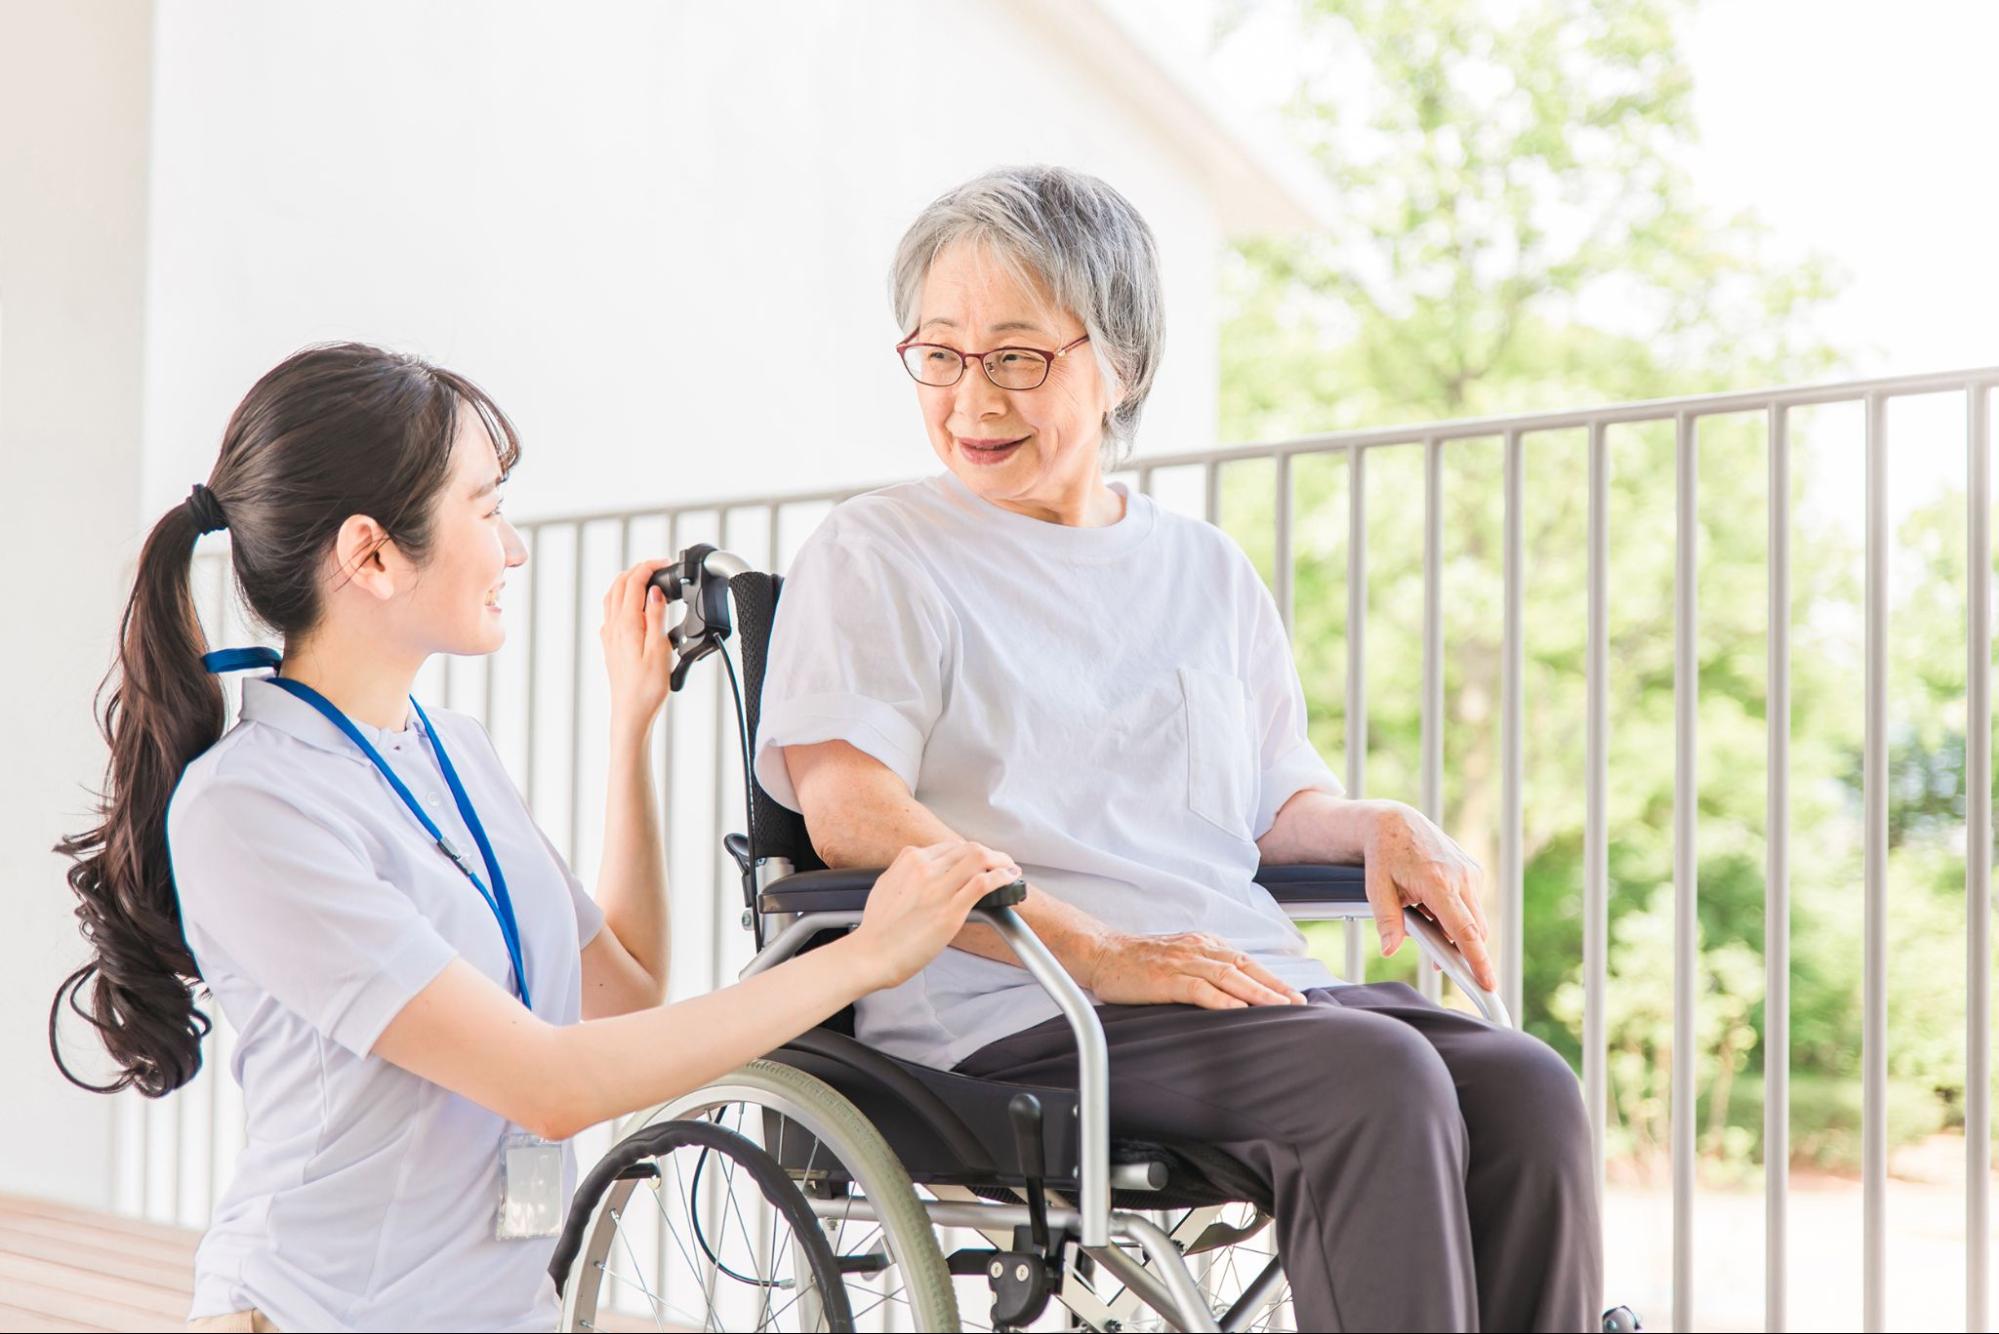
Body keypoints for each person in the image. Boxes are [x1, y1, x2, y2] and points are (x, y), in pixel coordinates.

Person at [755, 166, 1603, 1331]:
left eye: (1015, 356)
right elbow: (850, 811)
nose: (970, 398)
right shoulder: (880, 550)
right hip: (1017, 1009)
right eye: (940, 355)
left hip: (1232, 988)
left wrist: (1377, 826)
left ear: (1124, 362)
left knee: (1526, 1088)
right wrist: (1099, 950)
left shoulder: (1204, 568)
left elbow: (1269, 809)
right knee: (1378, 1077)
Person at [51, 342, 1019, 1333]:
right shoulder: (249, 807)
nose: (511, 548)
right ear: (371, 554)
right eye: (485, 506)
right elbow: (551, 1084)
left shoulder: (453, 753)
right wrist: (867, 954)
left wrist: (629, 724)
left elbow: (624, 987)